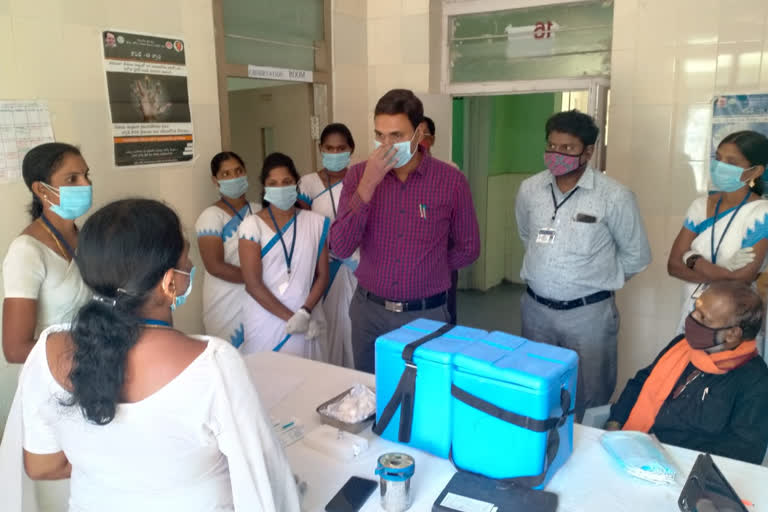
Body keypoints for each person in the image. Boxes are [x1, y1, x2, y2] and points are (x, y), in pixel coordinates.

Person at [0, 199, 300, 511]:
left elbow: (41, 465)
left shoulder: (48, 352)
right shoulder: (213, 363)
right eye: (186, 258)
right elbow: (265, 484)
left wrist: (113, 469)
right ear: (170, 283)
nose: (191, 268)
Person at [330, 89, 480, 373]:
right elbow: (339, 247)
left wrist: (429, 266)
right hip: (369, 312)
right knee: (371, 396)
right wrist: (367, 187)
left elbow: (469, 247)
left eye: (396, 136)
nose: (386, 145)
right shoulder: (358, 176)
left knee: (425, 397)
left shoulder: (451, 181)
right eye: (380, 135)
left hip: (427, 313)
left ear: (419, 132)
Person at [515, 110, 651, 420]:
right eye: (551, 146)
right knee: (537, 386)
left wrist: (590, 282)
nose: (556, 155)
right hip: (536, 311)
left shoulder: (614, 196)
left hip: (588, 315)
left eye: (567, 149)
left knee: (590, 393)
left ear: (588, 152)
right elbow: (527, 235)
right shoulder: (530, 189)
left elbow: (636, 256)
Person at [606, 281, 768, 465]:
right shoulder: (680, 346)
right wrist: (614, 423)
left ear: (732, 334)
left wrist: (670, 463)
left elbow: (744, 450)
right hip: (634, 449)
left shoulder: (755, 381)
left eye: (703, 317)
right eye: (694, 309)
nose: (691, 318)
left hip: (687, 471)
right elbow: (640, 383)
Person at [668, 131, 768, 347]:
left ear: (756, 171)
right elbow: (673, 266)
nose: (720, 166)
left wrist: (694, 260)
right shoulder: (699, 206)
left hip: (732, 319)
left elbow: (743, 280)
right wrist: (725, 275)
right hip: (694, 310)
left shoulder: (762, 213)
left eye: (731, 161)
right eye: (718, 158)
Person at [2, 143, 92, 364]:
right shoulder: (27, 251)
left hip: (93, 373)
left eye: (86, 175)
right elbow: (15, 350)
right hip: (53, 381)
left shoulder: (87, 238)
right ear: (41, 190)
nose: (86, 184)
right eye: (72, 179)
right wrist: (89, 349)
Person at [238, 153, 330, 359]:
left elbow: (322, 275)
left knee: (309, 382)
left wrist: (305, 313)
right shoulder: (251, 225)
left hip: (308, 316)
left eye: (286, 182)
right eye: (273, 183)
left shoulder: (316, 223)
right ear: (264, 188)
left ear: (296, 184)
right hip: (265, 320)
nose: (281, 188)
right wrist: (293, 319)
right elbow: (252, 284)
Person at [297, 123, 358, 368]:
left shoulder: (360, 180)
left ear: (351, 149)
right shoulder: (308, 184)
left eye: (340, 148)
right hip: (324, 268)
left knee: (354, 330)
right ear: (320, 149)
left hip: (357, 267)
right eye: (329, 148)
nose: (334, 153)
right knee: (327, 333)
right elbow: (302, 228)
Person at [196, 151, 260, 348]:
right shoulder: (211, 216)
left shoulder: (259, 211)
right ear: (215, 180)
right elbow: (214, 265)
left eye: (238, 171)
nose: (234, 177)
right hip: (225, 302)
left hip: (258, 297)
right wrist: (256, 279)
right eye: (226, 174)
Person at [418, 115, 459, 325]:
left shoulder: (449, 170)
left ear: (431, 140)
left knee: (445, 308)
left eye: (422, 135)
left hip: (442, 251)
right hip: (415, 257)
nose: (417, 141)